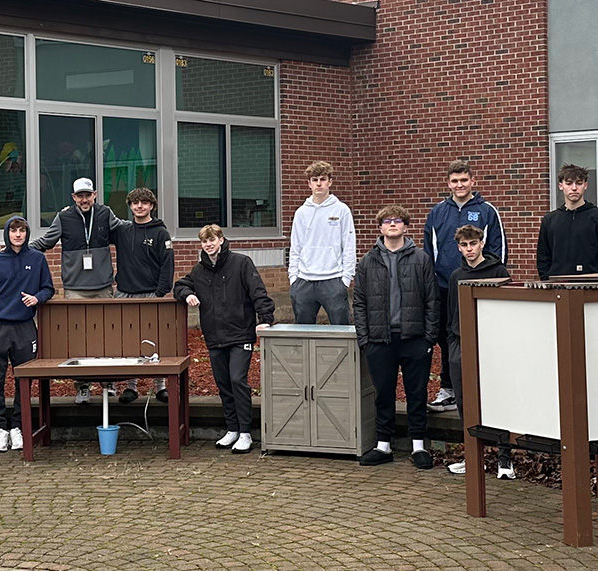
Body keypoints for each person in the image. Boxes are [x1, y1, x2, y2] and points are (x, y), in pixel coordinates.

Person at [173, 224, 275, 454]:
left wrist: (265, 318)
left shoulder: (241, 263)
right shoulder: (199, 271)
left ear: (221, 240)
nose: (208, 244)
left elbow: (258, 292)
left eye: (212, 240)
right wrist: (188, 294)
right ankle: (232, 429)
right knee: (223, 383)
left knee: (238, 380)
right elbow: (180, 285)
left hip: (240, 334)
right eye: (204, 241)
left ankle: (246, 433)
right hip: (215, 336)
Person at [354, 206, 439, 470]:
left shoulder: (421, 259)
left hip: (414, 339)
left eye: (397, 220)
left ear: (405, 226)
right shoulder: (367, 262)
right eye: (387, 221)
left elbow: (432, 300)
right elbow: (359, 303)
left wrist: (429, 337)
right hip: (380, 340)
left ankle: (418, 446)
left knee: (416, 392)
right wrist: (365, 339)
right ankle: (383, 445)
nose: (392, 224)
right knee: (383, 394)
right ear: (380, 228)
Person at [30, 177, 125, 404]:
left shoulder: (105, 214)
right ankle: (82, 386)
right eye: (79, 195)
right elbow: (45, 242)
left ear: (95, 195)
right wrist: (19, 250)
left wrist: (152, 229)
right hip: (75, 289)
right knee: (79, 338)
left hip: (103, 287)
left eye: (88, 195)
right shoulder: (63, 217)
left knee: (107, 335)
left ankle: (108, 382)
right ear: (73, 197)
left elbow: (127, 232)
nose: (84, 199)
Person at [424, 160, 507, 413]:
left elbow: (498, 249)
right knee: (448, 337)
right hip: (445, 286)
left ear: (473, 181)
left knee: (483, 337)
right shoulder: (437, 212)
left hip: (480, 287)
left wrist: (491, 280)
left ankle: (487, 387)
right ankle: (449, 389)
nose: (459, 185)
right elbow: (429, 251)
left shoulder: (487, 210)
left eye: (464, 180)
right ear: (448, 183)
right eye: (455, 181)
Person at [444, 225, 515, 478]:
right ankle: (473, 457)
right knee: (465, 402)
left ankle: (505, 460)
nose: (469, 249)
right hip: (461, 344)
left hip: (492, 344)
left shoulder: (498, 271)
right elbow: (452, 313)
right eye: (464, 245)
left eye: (473, 243)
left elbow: (507, 310)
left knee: (497, 399)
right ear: (459, 247)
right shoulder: (455, 275)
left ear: (482, 243)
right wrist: (454, 342)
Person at [112, 187, 174, 404]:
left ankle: (160, 386)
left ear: (152, 206)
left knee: (154, 340)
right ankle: (131, 386)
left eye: (144, 202)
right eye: (135, 202)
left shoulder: (160, 233)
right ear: (130, 206)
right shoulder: (122, 231)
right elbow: (96, 229)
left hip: (151, 294)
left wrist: (160, 293)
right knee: (128, 340)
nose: (140, 206)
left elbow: (168, 266)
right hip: (125, 294)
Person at [0, 217, 54, 452]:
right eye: (13, 230)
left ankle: (19, 428)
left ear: (27, 233)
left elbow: (48, 288)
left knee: (24, 380)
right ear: (7, 234)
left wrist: (36, 298)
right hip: (0, 327)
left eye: (22, 230)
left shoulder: (37, 259)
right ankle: (1, 429)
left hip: (25, 326)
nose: (18, 234)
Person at [288, 161, 355, 325]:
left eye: (323, 179)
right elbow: (295, 247)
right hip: (304, 282)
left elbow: (349, 246)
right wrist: (293, 279)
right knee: (303, 334)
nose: (319, 183)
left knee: (341, 332)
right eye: (315, 179)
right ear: (309, 183)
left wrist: (345, 279)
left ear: (330, 182)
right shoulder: (301, 213)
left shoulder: (341, 210)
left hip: (333, 280)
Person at [537, 163, 598, 280]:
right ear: (561, 186)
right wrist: (546, 280)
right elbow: (543, 257)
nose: (574, 188)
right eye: (569, 183)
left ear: (585, 185)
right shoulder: (549, 220)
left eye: (579, 183)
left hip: (593, 286)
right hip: (557, 286)